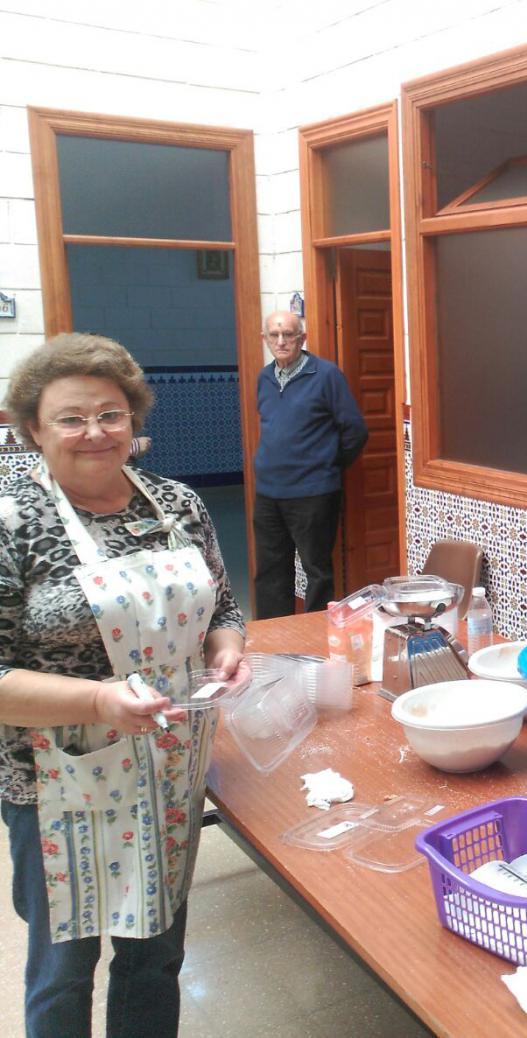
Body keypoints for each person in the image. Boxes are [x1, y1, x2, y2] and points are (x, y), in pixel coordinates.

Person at [0, 334, 247, 1038]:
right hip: (54, 780)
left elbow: (223, 608)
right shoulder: (12, 522)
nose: (94, 433)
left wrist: (227, 648)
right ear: (34, 430)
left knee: (154, 957)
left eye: (110, 414)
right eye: (70, 418)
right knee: (63, 970)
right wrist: (100, 700)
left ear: (134, 422)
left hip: (169, 766)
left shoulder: (177, 504)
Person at [252, 310, 367, 617]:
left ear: (301, 339)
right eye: (274, 335)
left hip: (313, 492)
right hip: (268, 493)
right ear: (265, 340)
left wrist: (326, 465)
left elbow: (355, 430)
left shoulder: (326, 375)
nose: (281, 341)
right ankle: (273, 636)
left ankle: (316, 637)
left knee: (316, 570)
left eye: (288, 334)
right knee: (270, 569)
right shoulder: (264, 378)